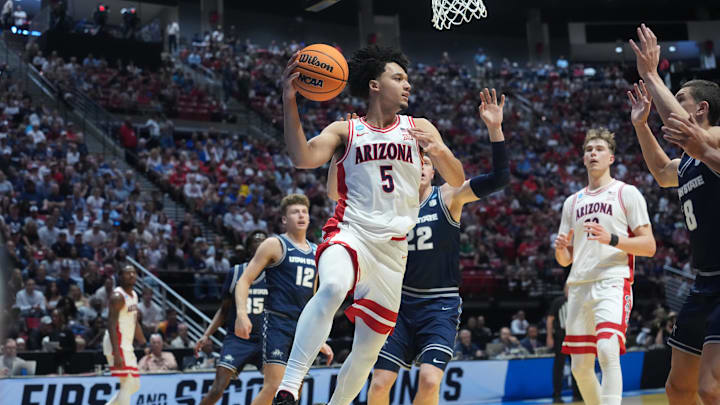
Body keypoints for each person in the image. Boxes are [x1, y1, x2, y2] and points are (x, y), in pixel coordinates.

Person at [274, 44, 464, 405]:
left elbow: (456, 179)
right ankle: (290, 385)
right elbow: (302, 157)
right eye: (399, 77)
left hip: (393, 253)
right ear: (375, 85)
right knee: (331, 287)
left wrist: (438, 151)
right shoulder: (346, 130)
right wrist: (289, 100)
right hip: (351, 232)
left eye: (407, 79)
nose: (407, 85)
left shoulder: (419, 128)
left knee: (367, 351)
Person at [366, 87, 510, 405]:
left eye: (425, 162)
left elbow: (500, 178)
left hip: (438, 306)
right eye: (411, 160)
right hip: (399, 305)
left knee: (430, 380)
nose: (418, 166)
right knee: (378, 384)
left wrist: (495, 129)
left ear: (433, 170)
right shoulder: (390, 206)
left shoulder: (448, 196)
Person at [629, 24, 720, 405]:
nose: (669, 100)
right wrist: (639, 125)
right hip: (704, 282)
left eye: (677, 97)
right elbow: (662, 172)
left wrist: (651, 73)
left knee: (710, 387)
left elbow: (687, 133)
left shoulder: (716, 135)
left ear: (701, 108)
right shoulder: (687, 162)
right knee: (678, 389)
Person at [555, 128, 656, 405]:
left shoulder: (627, 193)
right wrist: (561, 249)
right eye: (589, 150)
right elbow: (565, 260)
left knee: (607, 349)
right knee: (580, 368)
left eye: (599, 149)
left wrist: (611, 238)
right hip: (578, 286)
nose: (593, 153)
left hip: (612, 280)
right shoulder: (571, 202)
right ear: (583, 158)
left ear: (611, 157)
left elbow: (649, 246)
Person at [235, 195, 333, 405]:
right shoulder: (274, 244)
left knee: (294, 390)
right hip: (277, 322)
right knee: (274, 386)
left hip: (304, 326)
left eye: (304, 212)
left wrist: (320, 336)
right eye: (295, 212)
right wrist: (242, 314)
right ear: (284, 219)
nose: (301, 215)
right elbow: (244, 280)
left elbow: (314, 296)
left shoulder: (317, 251)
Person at [196, 230, 269, 405]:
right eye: (256, 240)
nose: (260, 242)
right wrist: (206, 335)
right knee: (217, 389)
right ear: (249, 248)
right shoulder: (236, 272)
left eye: (264, 240)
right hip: (238, 340)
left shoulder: (276, 275)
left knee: (279, 386)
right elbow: (223, 311)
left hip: (266, 340)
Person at [103, 265, 146, 405]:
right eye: (128, 273)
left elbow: (134, 321)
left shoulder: (134, 295)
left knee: (134, 384)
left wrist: (143, 342)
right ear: (120, 276)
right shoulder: (117, 296)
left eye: (134, 273)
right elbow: (111, 324)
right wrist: (116, 352)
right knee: (127, 383)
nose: (132, 275)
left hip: (126, 344)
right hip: (117, 342)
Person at [547, 285, 580, 403]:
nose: (570, 291)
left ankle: (577, 393)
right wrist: (549, 336)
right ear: (564, 290)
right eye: (568, 288)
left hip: (575, 337)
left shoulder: (578, 301)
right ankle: (557, 395)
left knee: (576, 366)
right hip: (560, 337)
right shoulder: (558, 302)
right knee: (558, 367)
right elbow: (550, 319)